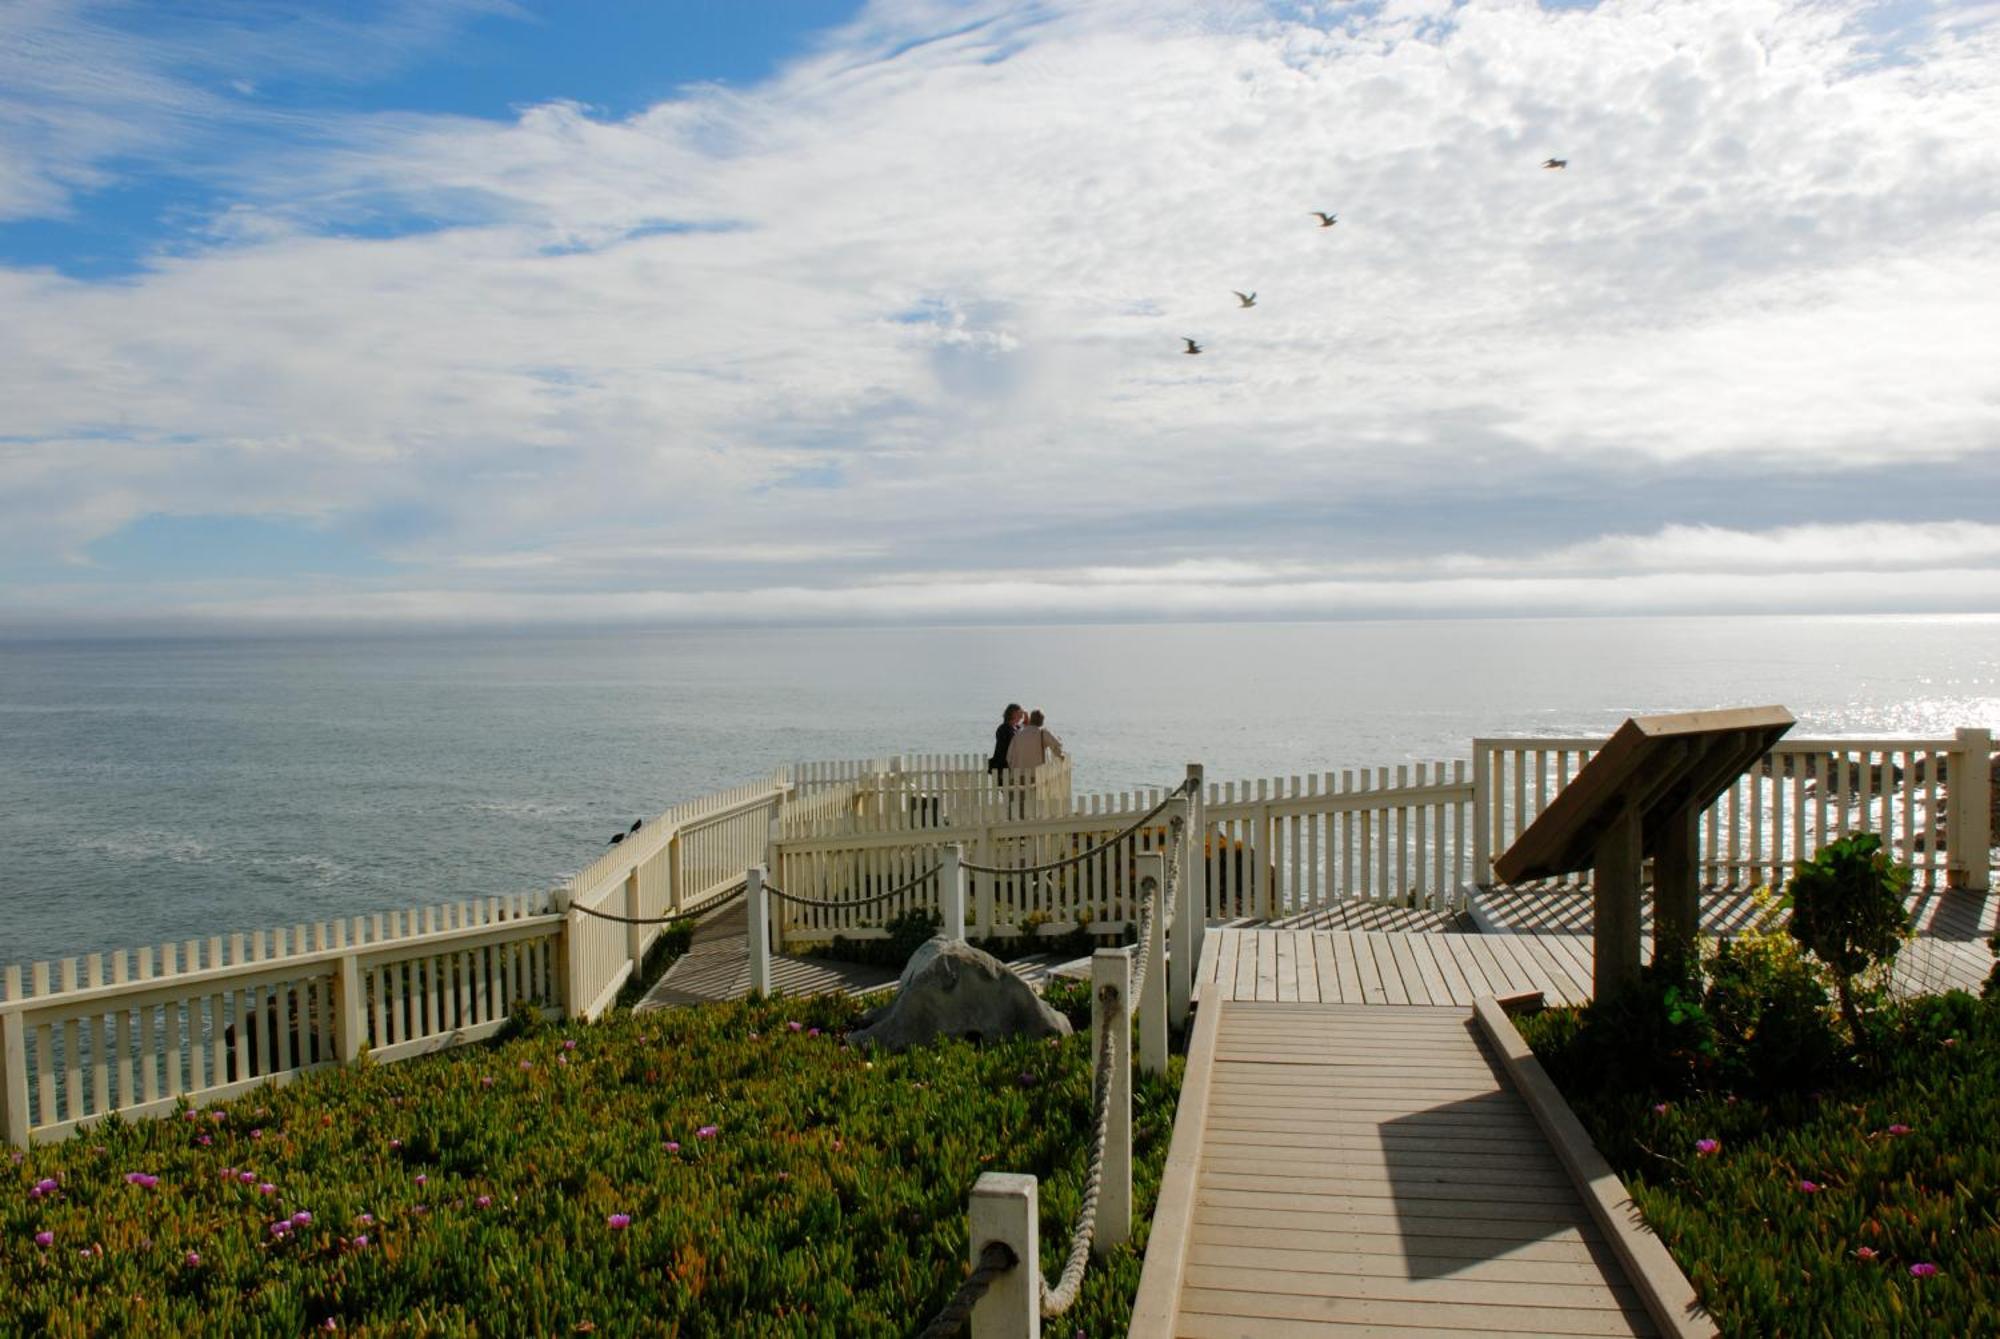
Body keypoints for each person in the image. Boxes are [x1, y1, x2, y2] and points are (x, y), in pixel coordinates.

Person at [1006, 708, 1066, 773]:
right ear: (1042, 721)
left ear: (1031, 719)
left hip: (1019, 775)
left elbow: (1009, 756)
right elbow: (1056, 745)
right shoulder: (1042, 733)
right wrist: (1060, 755)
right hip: (1037, 775)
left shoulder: (1018, 733)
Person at [989, 703, 1025, 775]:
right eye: (1019, 713)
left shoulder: (1016, 727)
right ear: (1013, 714)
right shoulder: (1004, 728)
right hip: (1002, 766)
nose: (1021, 717)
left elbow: (1024, 727)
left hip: (1011, 765)